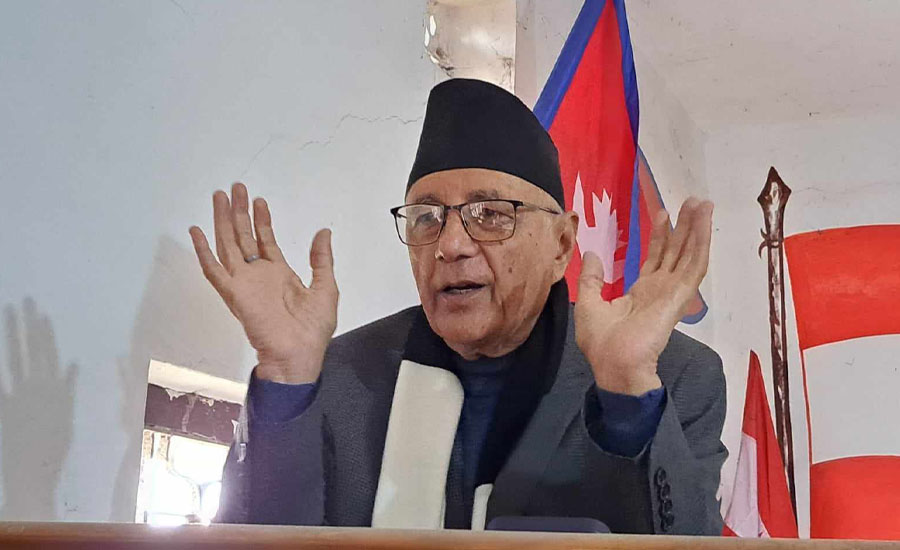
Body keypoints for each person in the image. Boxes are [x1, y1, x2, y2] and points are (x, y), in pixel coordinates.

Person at [189, 79, 727, 534]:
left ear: (561, 245)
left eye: (490, 214)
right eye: (426, 217)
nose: (449, 245)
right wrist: (286, 378)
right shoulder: (337, 375)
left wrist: (628, 393)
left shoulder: (675, 376)